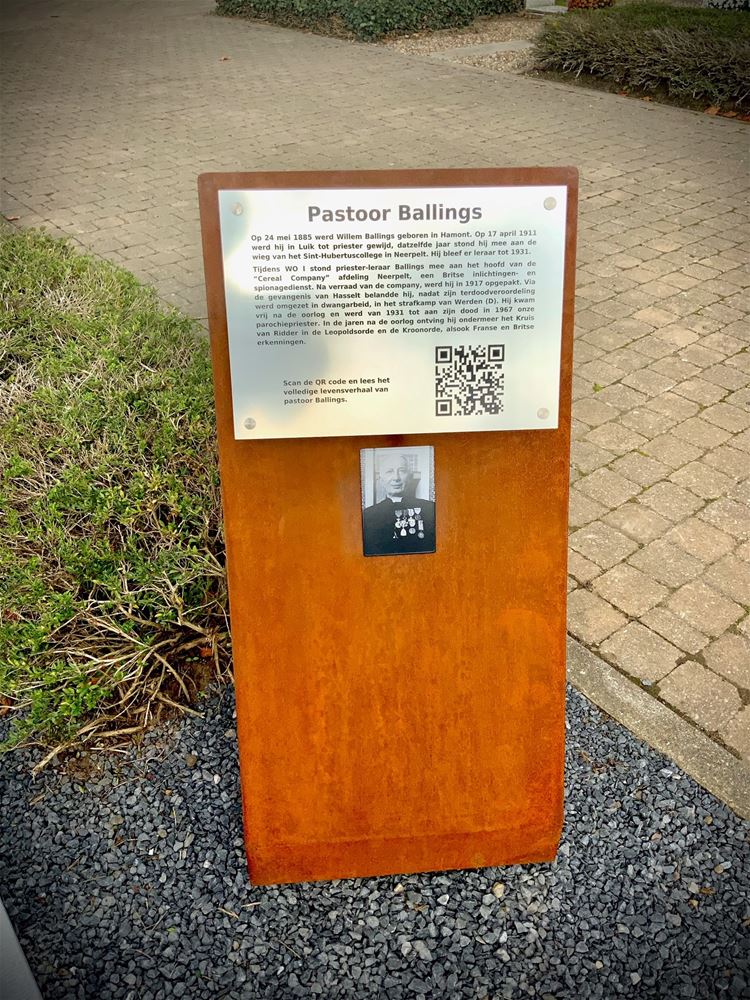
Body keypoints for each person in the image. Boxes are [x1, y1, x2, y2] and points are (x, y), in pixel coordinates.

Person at [362, 452, 436, 557]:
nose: (396, 478)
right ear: (381, 480)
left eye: (402, 471)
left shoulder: (430, 509)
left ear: (409, 478)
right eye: (389, 471)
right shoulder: (368, 515)